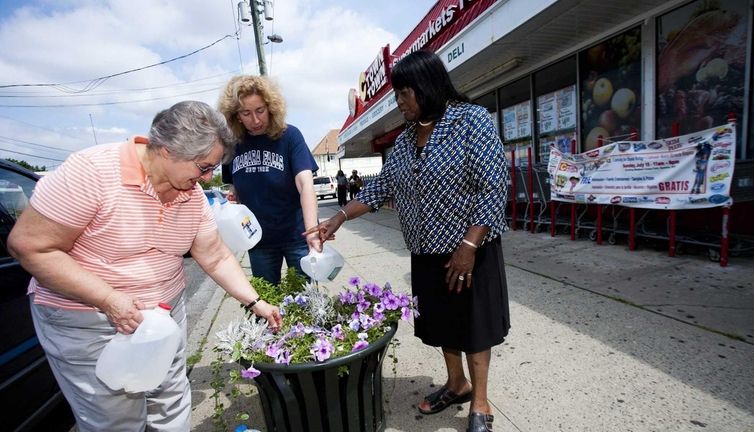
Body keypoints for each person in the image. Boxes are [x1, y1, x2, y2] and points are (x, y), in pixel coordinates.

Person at [7, 101, 283, 432]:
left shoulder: (192, 196)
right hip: (92, 325)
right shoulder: (91, 172)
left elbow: (216, 255)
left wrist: (255, 302)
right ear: (167, 150)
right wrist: (108, 299)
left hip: (163, 320)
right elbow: (30, 246)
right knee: (116, 421)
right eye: (203, 167)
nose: (208, 178)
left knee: (171, 405)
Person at [304, 50, 509, 432]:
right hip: (426, 250)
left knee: (475, 326)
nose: (399, 103)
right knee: (444, 325)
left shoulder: (471, 121)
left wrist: (468, 246)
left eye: (404, 94)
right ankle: (456, 384)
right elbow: (382, 187)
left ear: (427, 87)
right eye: (397, 95)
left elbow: (493, 187)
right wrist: (339, 217)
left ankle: (480, 402)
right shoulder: (405, 140)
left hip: (470, 248)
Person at [218, 75, 321, 285]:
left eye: (260, 111)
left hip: (297, 237)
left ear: (271, 107)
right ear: (236, 115)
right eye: (246, 113)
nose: (255, 120)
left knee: (305, 303)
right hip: (258, 241)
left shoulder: (290, 136)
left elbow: (305, 184)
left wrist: (312, 231)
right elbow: (234, 188)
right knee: (268, 305)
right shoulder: (233, 144)